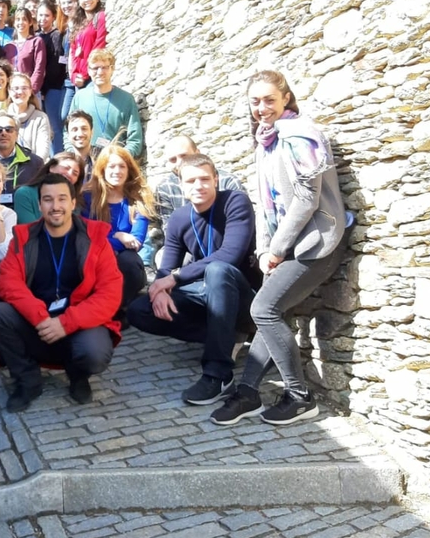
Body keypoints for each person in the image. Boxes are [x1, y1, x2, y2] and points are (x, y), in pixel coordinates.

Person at [211, 70, 349, 426]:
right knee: (269, 311)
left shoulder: (302, 136)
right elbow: (263, 203)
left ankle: (300, 397)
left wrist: (276, 248)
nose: (262, 108)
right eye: (255, 101)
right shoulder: (266, 140)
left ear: (286, 98)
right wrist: (263, 250)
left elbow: (306, 200)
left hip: (316, 244)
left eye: (269, 100)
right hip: (283, 246)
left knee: (264, 309)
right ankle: (249, 392)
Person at [125, 153, 257, 405]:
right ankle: (226, 337)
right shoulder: (179, 218)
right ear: (181, 186)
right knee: (140, 309)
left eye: (205, 179)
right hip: (206, 296)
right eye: (191, 181)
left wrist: (174, 278)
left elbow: (230, 254)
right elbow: (166, 268)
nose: (199, 186)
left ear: (216, 180)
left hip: (243, 299)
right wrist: (160, 289)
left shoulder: (235, 202)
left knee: (218, 270)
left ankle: (218, 375)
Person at [0, 173, 123, 411]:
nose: (55, 206)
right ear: (40, 205)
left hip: (79, 324)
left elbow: (109, 294)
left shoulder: (95, 238)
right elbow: (9, 283)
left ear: (72, 202)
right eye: (48, 200)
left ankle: (78, 375)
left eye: (61, 199)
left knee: (95, 352)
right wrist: (40, 317)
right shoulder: (23, 237)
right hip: (36, 323)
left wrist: (66, 322)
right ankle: (28, 379)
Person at [144, 135, 246, 267]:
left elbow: (239, 228)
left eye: (184, 156)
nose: (179, 162)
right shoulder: (165, 188)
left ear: (197, 153)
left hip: (225, 245)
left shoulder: (228, 181)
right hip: (188, 249)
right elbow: (171, 234)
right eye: (173, 159)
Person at [85, 144, 152, 310]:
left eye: (122, 166)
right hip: (97, 261)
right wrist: (118, 236)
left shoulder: (137, 198)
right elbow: (87, 237)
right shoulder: (88, 198)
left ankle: (118, 307)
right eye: (112, 166)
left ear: (129, 169)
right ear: (102, 169)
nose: (117, 171)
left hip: (126, 266)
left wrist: (107, 240)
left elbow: (136, 241)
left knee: (127, 260)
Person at [67, 49, 143, 157]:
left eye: (104, 67)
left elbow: (135, 140)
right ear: (88, 70)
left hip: (113, 165)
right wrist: (74, 155)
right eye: (95, 68)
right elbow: (68, 131)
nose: (100, 72)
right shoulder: (80, 97)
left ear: (112, 69)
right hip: (85, 162)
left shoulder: (126, 99)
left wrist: (118, 159)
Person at [0, 72, 52, 160]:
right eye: (15, 88)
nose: (20, 92)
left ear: (30, 91)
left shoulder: (40, 118)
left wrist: (32, 167)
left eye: (24, 88)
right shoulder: (1, 117)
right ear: (9, 91)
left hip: (32, 168)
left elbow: (43, 151)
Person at [0, 114, 45, 205]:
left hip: (24, 216)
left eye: (9, 129)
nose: (4, 133)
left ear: (16, 134)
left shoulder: (36, 163)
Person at [13, 152, 84, 224]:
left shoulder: (74, 201)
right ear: (52, 167)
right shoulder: (25, 194)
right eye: (66, 168)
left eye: (75, 174)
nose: (69, 174)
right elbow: (30, 230)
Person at [37, 0, 69, 153]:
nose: (43, 19)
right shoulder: (37, 36)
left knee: (54, 126)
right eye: (40, 15)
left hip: (52, 88)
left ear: (53, 17)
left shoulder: (57, 35)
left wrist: (45, 89)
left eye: (46, 16)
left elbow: (56, 66)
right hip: (40, 88)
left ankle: (57, 156)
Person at [65, 0, 106, 103]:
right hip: (80, 78)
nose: (87, 0)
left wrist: (83, 74)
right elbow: (74, 52)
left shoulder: (101, 17)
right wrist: (74, 75)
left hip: (93, 75)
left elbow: (99, 46)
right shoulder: (79, 23)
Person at [57, 0, 82, 125]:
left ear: (77, 2)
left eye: (69, 2)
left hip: (80, 77)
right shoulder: (64, 27)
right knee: (64, 116)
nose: (66, 6)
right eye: (63, 3)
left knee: (80, 115)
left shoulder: (82, 24)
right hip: (68, 79)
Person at [11, 7, 46, 96]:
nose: (20, 22)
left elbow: (39, 68)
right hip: (13, 91)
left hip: (30, 91)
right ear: (14, 23)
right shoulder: (9, 46)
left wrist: (31, 90)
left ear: (30, 22)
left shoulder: (36, 41)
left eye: (24, 19)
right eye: (18, 19)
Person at [65, 110, 96, 183]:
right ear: (68, 135)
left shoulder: (103, 159)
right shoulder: (63, 164)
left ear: (92, 132)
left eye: (84, 129)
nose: (80, 134)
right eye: (74, 130)